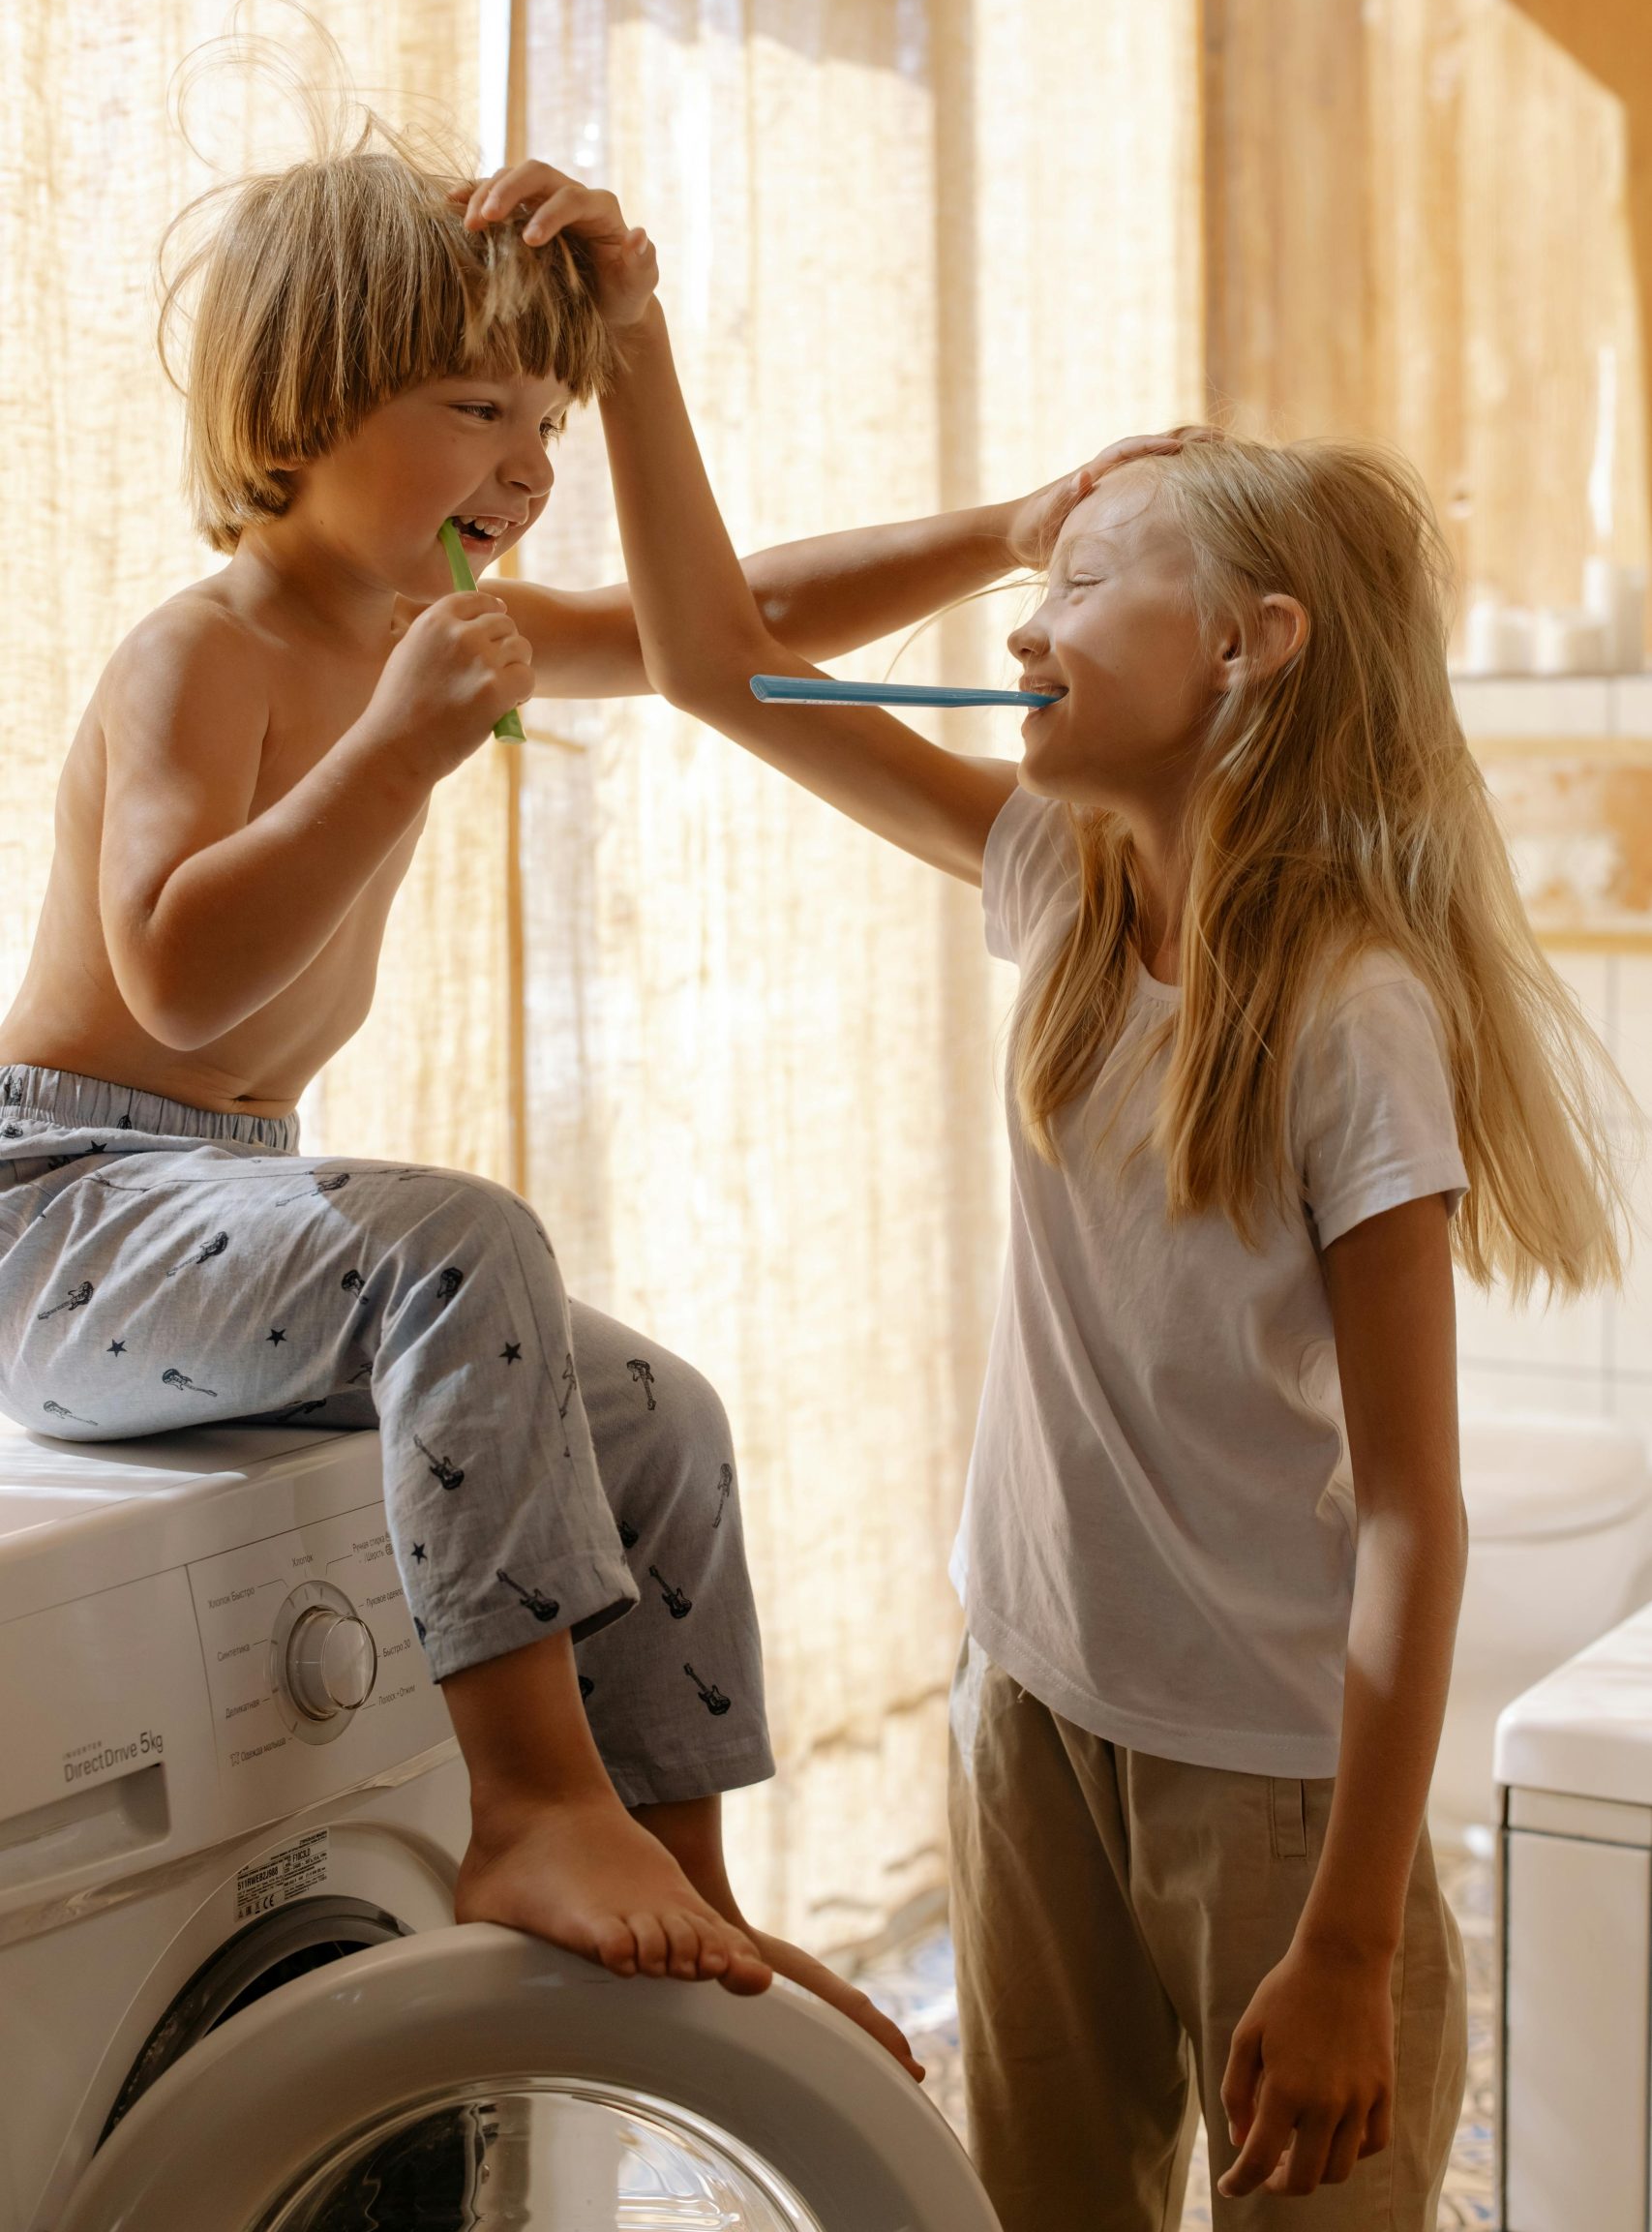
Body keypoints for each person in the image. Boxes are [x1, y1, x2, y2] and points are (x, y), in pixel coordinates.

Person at [500, 160, 1634, 2223]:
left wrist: (1355, 1944)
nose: (1022, 620)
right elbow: (705, 661)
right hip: (1025, 1711)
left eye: (1087, 576)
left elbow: (1410, 1508)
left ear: (1245, 650)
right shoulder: (1062, 881)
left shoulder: (1347, 1018)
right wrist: (637, 347)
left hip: (1278, 1797)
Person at [0, 128, 1102, 2074]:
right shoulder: (210, 646)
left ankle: (690, 1878)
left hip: (227, 1202)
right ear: (308, 402)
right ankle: (529, 1803)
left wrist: (1004, 525)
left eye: (549, 412)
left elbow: (729, 633)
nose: (528, 457)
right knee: (465, 1239)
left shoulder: (425, 625)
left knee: (653, 1416)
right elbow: (170, 970)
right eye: (476, 406)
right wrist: (396, 758)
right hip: (69, 1206)